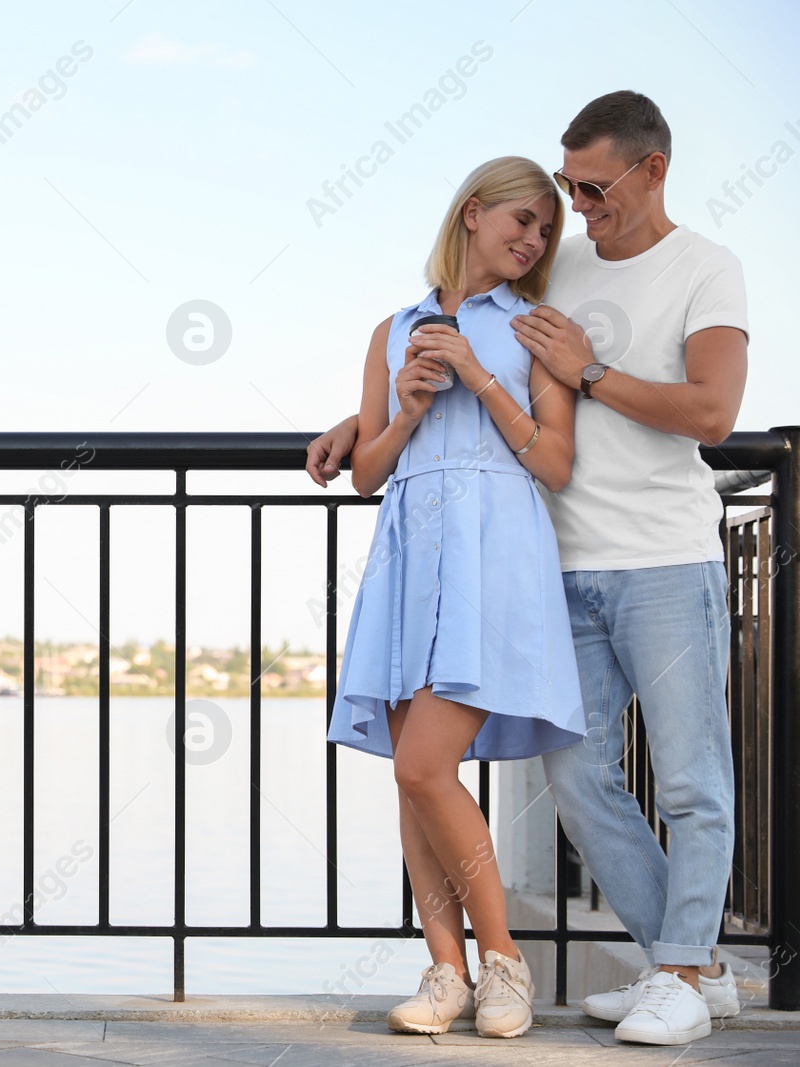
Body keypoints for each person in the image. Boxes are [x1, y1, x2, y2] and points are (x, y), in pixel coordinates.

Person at [308, 91, 749, 1047]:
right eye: (552, 199)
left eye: (586, 193)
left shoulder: (671, 278)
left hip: (618, 556)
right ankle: (661, 967)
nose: (567, 216)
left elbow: (690, 420)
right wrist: (370, 419)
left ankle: (624, 965)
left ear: (650, 171)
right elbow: (398, 431)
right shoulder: (517, 280)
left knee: (685, 779)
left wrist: (553, 373)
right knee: (557, 779)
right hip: (495, 563)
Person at [325, 154, 584, 1040]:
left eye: (546, 230)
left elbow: (553, 462)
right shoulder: (391, 329)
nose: (534, 239)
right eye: (522, 220)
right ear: (473, 214)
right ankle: (445, 970)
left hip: (496, 556)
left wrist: (476, 373)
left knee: (422, 765)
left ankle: (502, 963)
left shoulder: (536, 328)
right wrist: (400, 412)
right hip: (409, 556)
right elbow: (364, 476)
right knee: (413, 781)